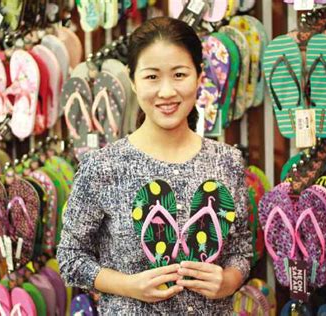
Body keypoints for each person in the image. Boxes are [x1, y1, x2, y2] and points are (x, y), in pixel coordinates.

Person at [57, 16, 251, 315]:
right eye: (151, 77)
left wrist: (228, 281)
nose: (166, 92)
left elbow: (241, 250)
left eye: (179, 75)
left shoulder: (227, 161)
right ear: (132, 80)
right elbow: (70, 258)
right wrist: (128, 286)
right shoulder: (103, 167)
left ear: (200, 77)